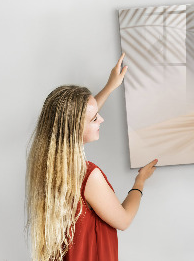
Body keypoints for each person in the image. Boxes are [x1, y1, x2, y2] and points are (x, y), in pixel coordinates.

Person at [26, 53, 158, 261]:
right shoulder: (88, 176)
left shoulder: (47, 165)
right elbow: (123, 220)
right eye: (95, 118)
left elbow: (79, 116)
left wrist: (110, 86)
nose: (102, 119)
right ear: (75, 128)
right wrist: (140, 181)